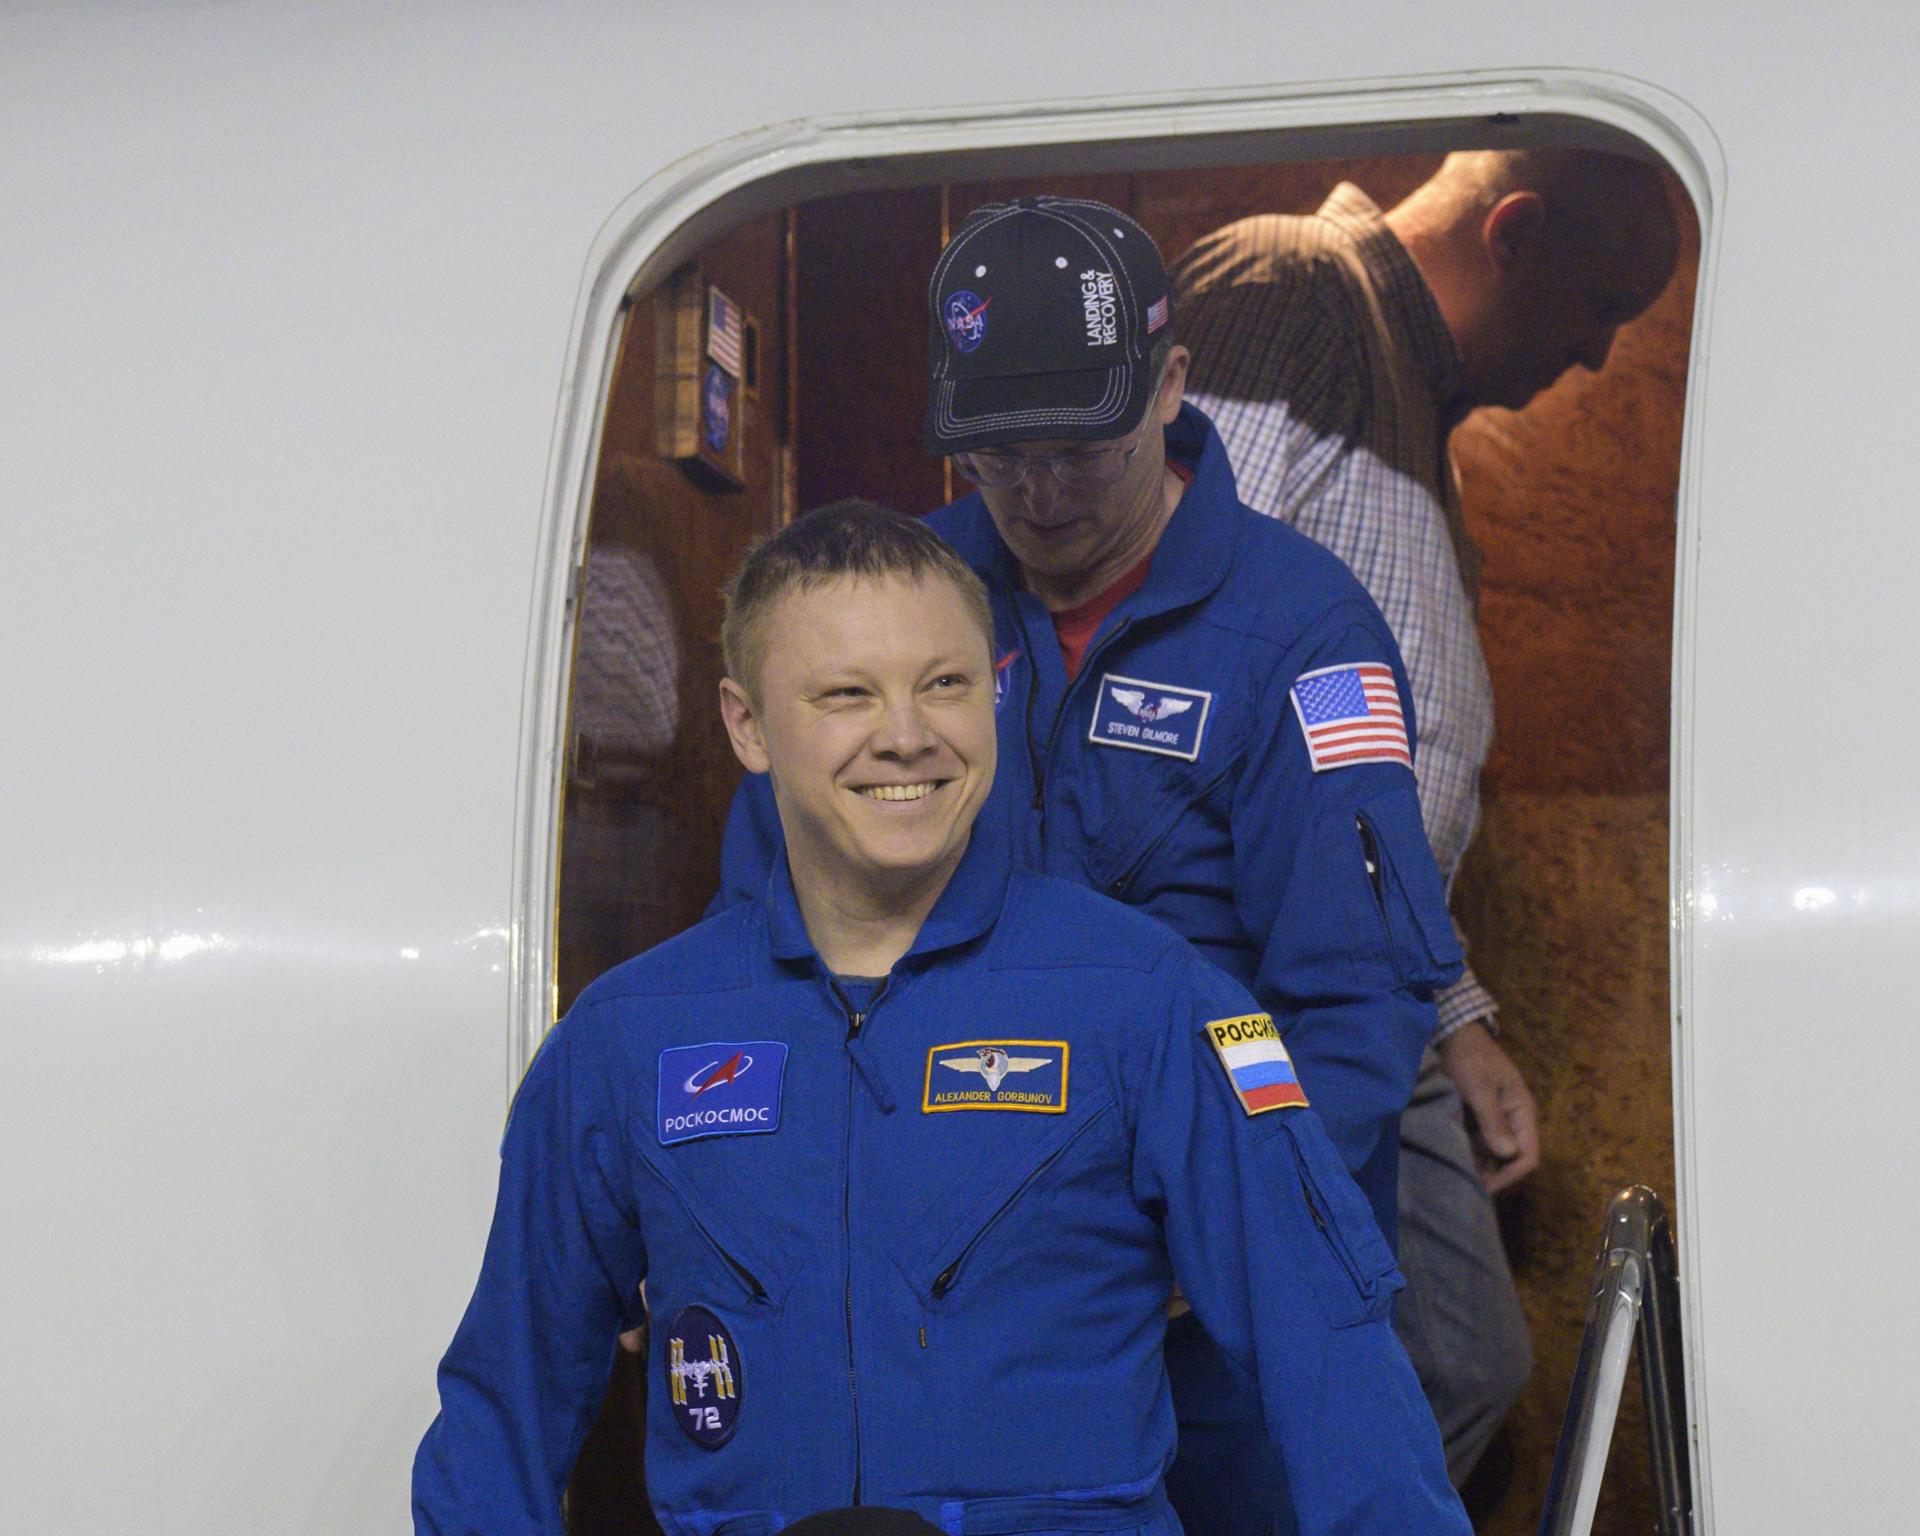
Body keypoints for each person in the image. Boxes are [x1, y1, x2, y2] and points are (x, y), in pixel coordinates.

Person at [413, 501, 1469, 1536]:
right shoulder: (627, 1040)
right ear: (748, 726)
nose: (907, 737)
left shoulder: (1150, 1003)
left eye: (946, 685)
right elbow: (502, 1414)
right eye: (845, 695)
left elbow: (1335, 1365)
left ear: (994, 702)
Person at [714, 198, 1464, 1536]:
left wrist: (1198, 1230)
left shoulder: (1301, 633)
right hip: (940, 1297)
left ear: (1171, 389)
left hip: (1220, 1302)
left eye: (1082, 451)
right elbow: (764, 935)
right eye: (1005, 461)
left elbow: (1354, 1012)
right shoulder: (896, 598)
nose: (1046, 497)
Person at [1171, 148, 1682, 1483]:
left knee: (1459, 1356)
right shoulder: (1292, 295)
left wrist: (1456, 1021)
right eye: (1596, 306)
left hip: (1367, 983)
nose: (1590, 360)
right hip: (1248, 976)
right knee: (1268, 1379)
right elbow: (1149, 647)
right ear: (1513, 229)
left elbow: (1367, 766)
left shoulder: (1406, 403)